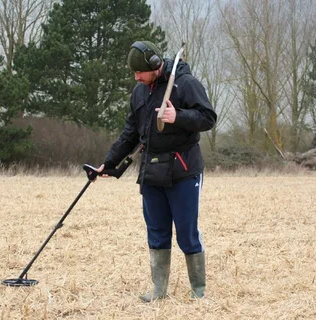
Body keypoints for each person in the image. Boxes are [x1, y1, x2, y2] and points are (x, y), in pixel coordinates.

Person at [96, 40, 217, 302]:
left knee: (187, 232)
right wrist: (109, 161)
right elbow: (131, 132)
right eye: (134, 73)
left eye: (140, 71)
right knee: (157, 231)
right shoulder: (139, 93)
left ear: (154, 65)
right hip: (151, 173)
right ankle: (159, 291)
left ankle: (198, 292)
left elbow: (208, 117)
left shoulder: (185, 84)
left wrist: (179, 116)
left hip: (183, 170)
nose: (136, 77)